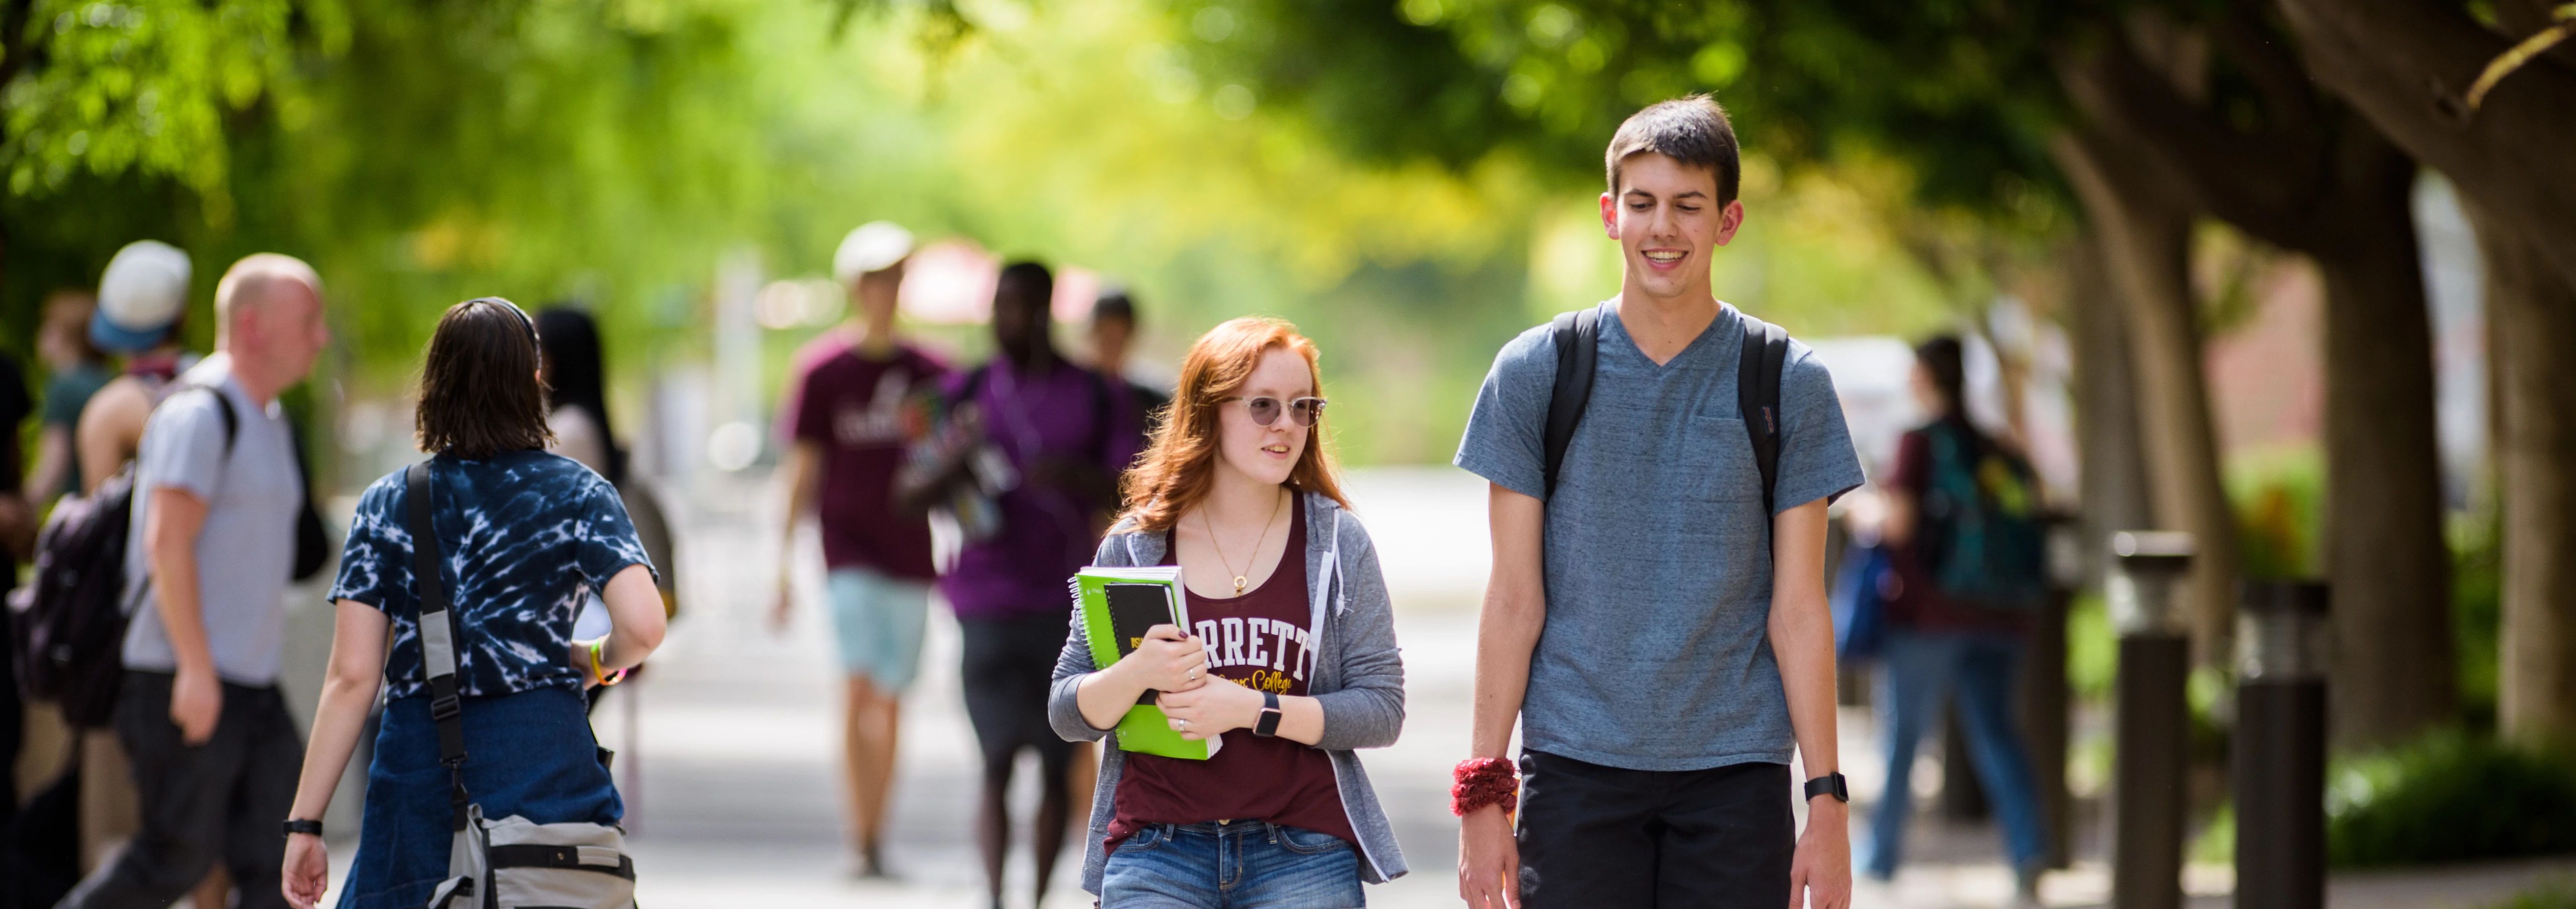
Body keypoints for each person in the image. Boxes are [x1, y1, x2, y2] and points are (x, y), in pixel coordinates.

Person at [1450, 96, 1865, 909]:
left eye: (1688, 205)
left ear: (1728, 219)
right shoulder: (1538, 371)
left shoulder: (1787, 380)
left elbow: (1800, 610)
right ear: (1610, 214)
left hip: (1735, 775)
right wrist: (1483, 794)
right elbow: (1511, 599)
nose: (1662, 228)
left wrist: (1827, 801)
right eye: (1641, 204)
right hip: (1575, 767)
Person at [279, 297, 666, 909]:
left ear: (434, 385)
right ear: (534, 379)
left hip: (421, 773)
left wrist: (306, 824)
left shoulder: (389, 505)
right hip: (548, 764)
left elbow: (352, 677)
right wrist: (595, 660)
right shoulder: (579, 491)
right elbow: (643, 626)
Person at [1050, 316, 1410, 907]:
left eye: (1303, 407)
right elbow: (1068, 710)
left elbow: (1380, 709)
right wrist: (1136, 672)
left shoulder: (1336, 544)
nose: (1287, 426)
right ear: (1209, 410)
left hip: (1302, 848)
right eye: (1263, 407)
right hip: (1157, 849)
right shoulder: (1135, 547)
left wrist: (1252, 709)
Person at [55, 254, 330, 909]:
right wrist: (196, 669)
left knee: (280, 859)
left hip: (250, 686)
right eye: (309, 321)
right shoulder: (200, 413)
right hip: (182, 680)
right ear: (254, 325)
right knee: (173, 857)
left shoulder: (269, 420)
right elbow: (164, 541)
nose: (321, 337)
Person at [904, 261, 1138, 909]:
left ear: (1046, 311)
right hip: (983, 600)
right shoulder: (961, 391)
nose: (1008, 320)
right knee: (997, 757)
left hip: (1066, 604)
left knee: (1060, 760)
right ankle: (995, 897)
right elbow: (908, 490)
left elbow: (1135, 487)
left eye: (1022, 307)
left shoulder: (1095, 392)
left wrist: (1072, 475)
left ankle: (1035, 896)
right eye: (999, 307)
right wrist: (954, 457)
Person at [771, 221, 946, 877]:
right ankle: (859, 836)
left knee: (894, 695)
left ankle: (879, 833)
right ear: (856, 286)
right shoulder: (823, 370)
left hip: (911, 551)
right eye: (876, 278)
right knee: (857, 685)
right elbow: (802, 468)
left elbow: (951, 463)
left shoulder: (931, 372)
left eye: (896, 276)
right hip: (846, 548)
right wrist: (782, 564)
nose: (886, 290)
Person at [1861, 335, 2049, 905]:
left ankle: (1880, 859)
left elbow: (1897, 526)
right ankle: (2028, 852)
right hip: (2000, 615)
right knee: (1998, 735)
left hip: (1929, 617)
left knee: (1903, 739)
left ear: (1923, 375)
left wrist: (1861, 511)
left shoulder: (1918, 444)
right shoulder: (1993, 445)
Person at [30, 291, 113, 503]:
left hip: (83, 505)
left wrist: (27, 503)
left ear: (66, 336)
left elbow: (56, 460)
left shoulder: (63, 386)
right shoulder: (110, 380)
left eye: (48, 328)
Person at [1087, 287, 1173, 444]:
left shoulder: (1151, 398)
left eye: (1118, 336)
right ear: (1093, 330)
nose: (1113, 341)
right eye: (1106, 334)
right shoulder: (1072, 391)